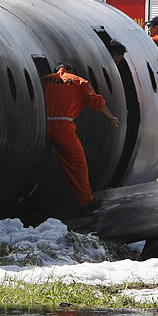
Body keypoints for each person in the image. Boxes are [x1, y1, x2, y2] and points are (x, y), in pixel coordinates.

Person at [42, 63, 119, 215]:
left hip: (42, 124)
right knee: (77, 165)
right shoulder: (78, 82)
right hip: (63, 127)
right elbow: (97, 101)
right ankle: (86, 202)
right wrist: (111, 117)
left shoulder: (45, 79)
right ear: (71, 71)